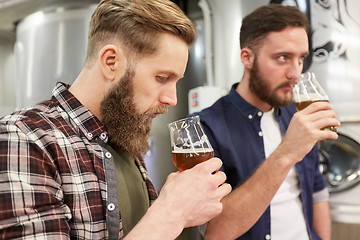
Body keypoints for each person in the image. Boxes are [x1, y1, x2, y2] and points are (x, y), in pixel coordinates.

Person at [0, 0, 231, 239]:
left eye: (176, 81)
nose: (172, 98)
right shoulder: (24, 137)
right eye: (162, 77)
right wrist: (172, 212)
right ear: (111, 61)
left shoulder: (123, 138)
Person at [193, 4, 340, 240]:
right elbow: (214, 232)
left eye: (301, 58)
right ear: (247, 58)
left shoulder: (296, 115)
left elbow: (318, 190)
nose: (295, 72)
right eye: (283, 58)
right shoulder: (204, 128)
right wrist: (286, 152)